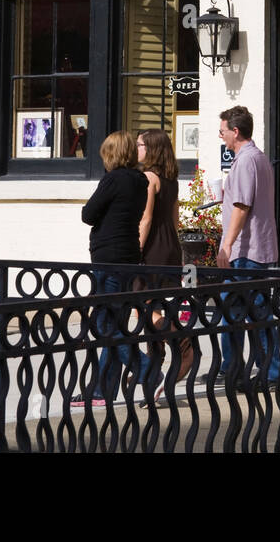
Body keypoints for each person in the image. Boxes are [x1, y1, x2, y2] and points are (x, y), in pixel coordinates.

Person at [75, 130, 151, 407]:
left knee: (104, 324)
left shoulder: (113, 179)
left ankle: (145, 368)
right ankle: (101, 391)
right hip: (129, 255)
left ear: (112, 154)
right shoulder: (140, 180)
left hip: (109, 257)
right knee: (113, 323)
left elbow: (88, 214)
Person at [216, 105, 280, 384]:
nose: (221, 137)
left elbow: (242, 206)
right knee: (256, 311)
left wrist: (226, 246)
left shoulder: (245, 161)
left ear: (235, 131)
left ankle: (240, 369)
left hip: (246, 250)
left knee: (235, 311)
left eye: (222, 131)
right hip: (259, 248)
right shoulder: (259, 158)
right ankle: (250, 368)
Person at [136, 128, 194, 399]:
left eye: (141, 145)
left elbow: (146, 219)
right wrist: (178, 253)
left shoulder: (149, 178)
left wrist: (136, 251)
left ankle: (184, 346)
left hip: (152, 250)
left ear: (152, 149)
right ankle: (154, 371)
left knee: (143, 305)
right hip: (169, 247)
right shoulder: (172, 179)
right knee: (153, 306)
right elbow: (175, 220)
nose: (137, 149)